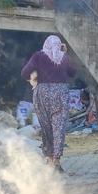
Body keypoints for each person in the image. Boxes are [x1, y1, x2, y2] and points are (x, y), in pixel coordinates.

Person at [21, 35, 76, 171]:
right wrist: (65, 53)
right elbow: (73, 72)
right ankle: (56, 160)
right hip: (60, 94)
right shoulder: (64, 58)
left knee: (47, 128)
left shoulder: (38, 56)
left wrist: (34, 77)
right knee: (59, 127)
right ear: (59, 45)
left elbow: (24, 73)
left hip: (42, 94)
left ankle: (49, 158)